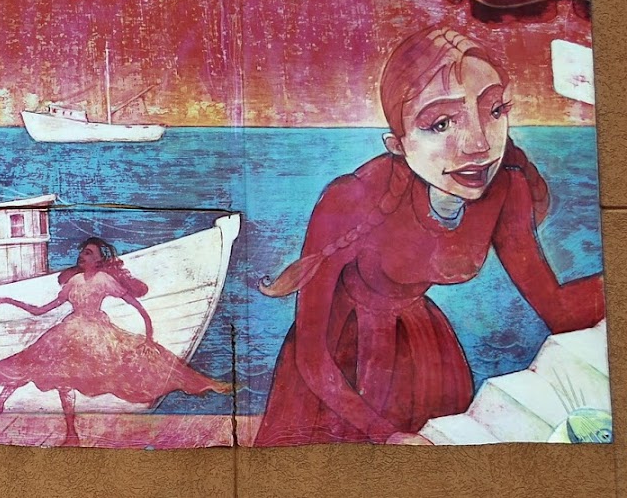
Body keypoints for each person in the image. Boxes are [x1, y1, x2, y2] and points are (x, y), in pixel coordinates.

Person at [255, 27, 605, 446]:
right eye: (441, 123)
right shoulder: (350, 199)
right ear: (397, 143)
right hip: (338, 374)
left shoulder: (505, 191)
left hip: (425, 358)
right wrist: (386, 435)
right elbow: (311, 354)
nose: (478, 144)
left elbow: (559, 310)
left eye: (494, 110)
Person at [0, 237, 233, 446]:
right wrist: (7, 299)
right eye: (82, 252)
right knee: (31, 361)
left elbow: (136, 305)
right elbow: (41, 310)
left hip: (95, 335)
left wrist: (149, 335)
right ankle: (4, 404)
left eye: (88, 253)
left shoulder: (104, 280)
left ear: (98, 260)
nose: (82, 256)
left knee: (66, 376)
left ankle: (69, 433)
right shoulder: (74, 283)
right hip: (69, 331)